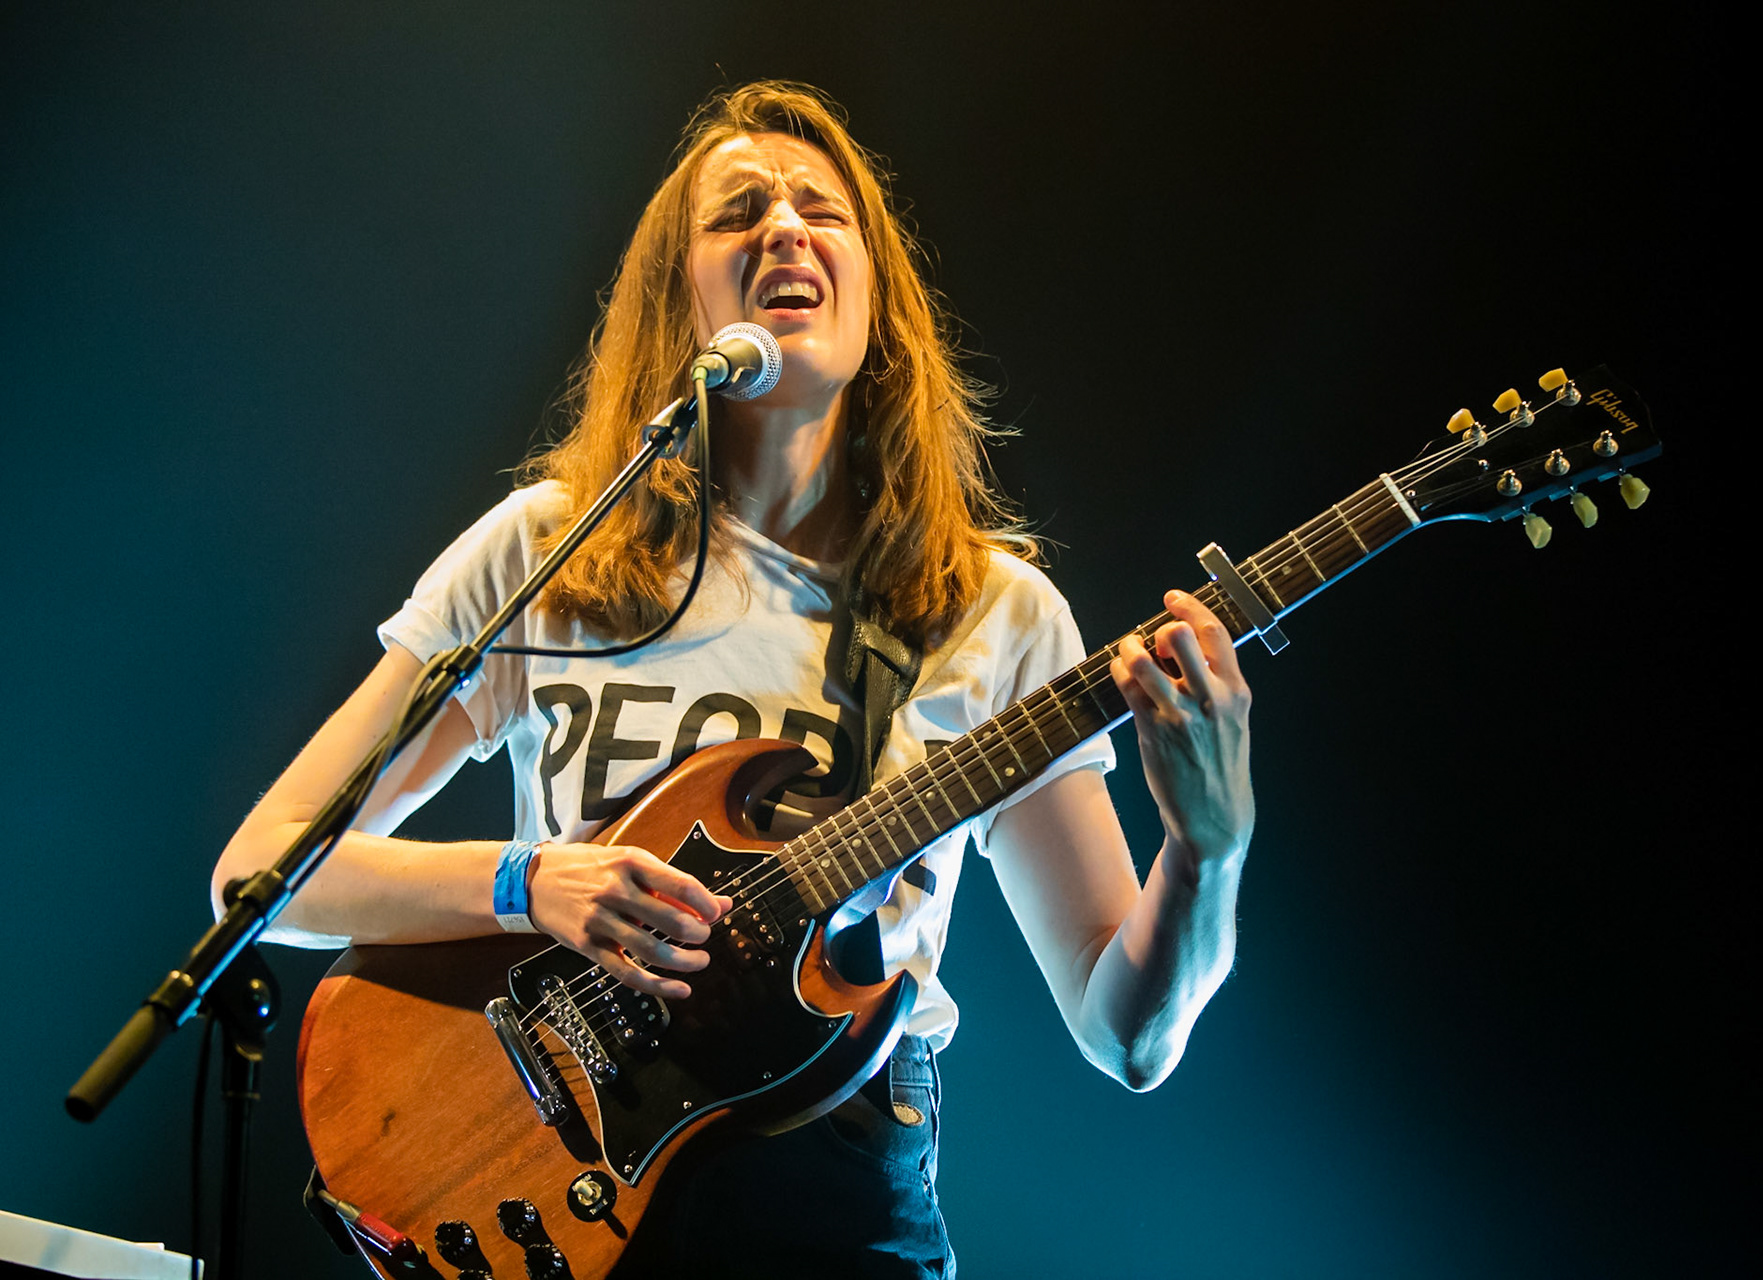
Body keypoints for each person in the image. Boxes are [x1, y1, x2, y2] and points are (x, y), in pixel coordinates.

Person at [214, 80, 1254, 1276]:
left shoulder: (993, 609)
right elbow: (263, 870)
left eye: (823, 208)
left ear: (877, 290)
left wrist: (1209, 851)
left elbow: (1127, 1034)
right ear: (681, 298)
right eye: (739, 212)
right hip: (568, 1178)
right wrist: (528, 880)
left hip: (834, 1197)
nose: (784, 228)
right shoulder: (548, 550)